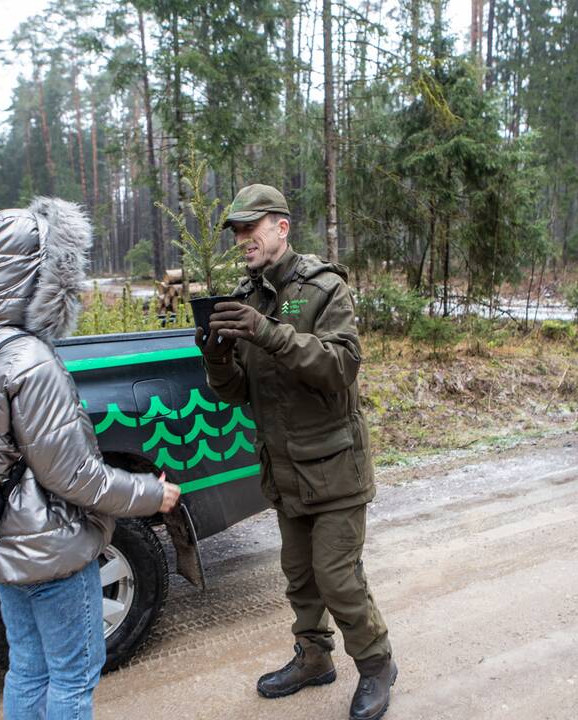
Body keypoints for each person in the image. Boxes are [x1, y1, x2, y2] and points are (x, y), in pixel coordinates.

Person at [0, 197, 181, 720]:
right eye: (63, 269)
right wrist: (151, 494)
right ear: (37, 278)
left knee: (29, 668)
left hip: (4, 541)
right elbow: (71, 475)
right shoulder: (31, 361)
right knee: (74, 677)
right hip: (51, 550)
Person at [196, 184, 397, 720]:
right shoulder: (248, 295)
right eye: (236, 230)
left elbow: (340, 369)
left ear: (281, 227)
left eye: (250, 227)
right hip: (284, 468)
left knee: (337, 576)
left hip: (335, 467)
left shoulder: (323, 288)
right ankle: (314, 658)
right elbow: (243, 393)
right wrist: (217, 359)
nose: (242, 239)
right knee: (300, 575)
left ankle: (377, 665)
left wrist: (271, 334)